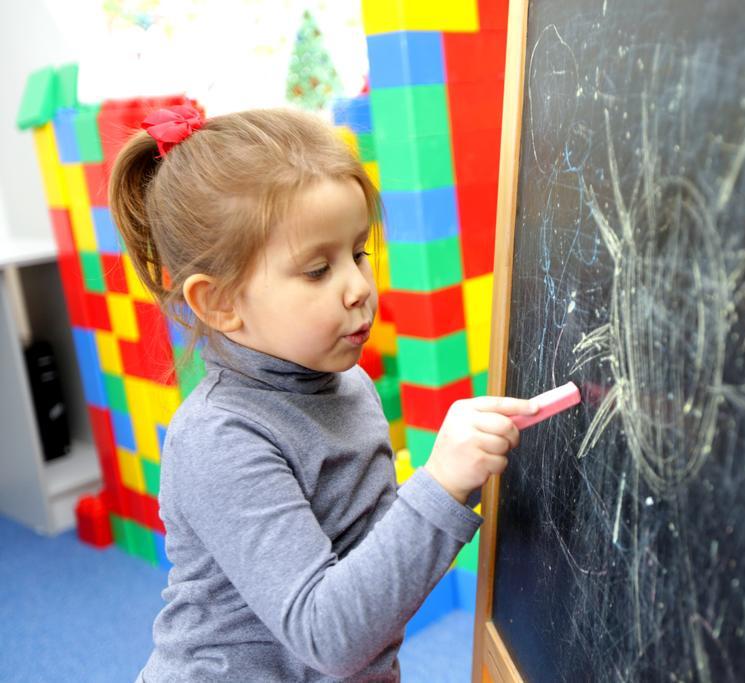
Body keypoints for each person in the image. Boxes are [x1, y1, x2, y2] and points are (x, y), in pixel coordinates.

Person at [109, 104, 537, 682]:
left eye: (358, 252)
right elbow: (328, 635)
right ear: (219, 303)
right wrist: (440, 486)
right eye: (317, 270)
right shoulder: (219, 439)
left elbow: (370, 556)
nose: (359, 287)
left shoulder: (346, 384)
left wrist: (451, 483)